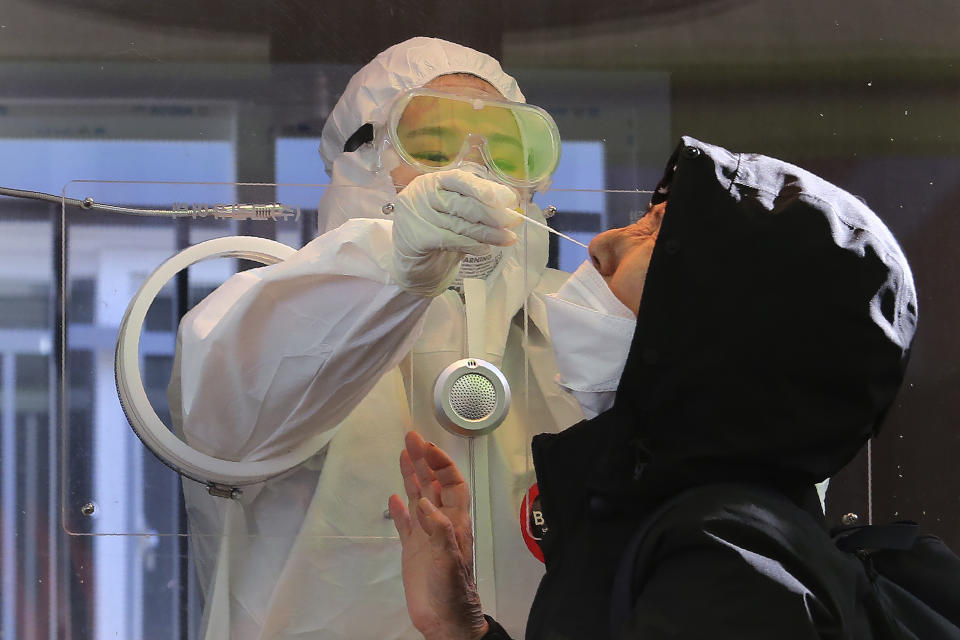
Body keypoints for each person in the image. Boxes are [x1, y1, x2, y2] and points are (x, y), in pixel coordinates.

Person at [388, 136, 919, 639]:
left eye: (653, 231)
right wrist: (464, 628)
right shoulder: (698, 525)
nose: (601, 245)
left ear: (727, 311)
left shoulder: (727, 565)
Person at [167, 37, 584, 639]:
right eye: (432, 142)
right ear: (361, 158)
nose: (471, 167)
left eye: (506, 149)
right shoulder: (283, 312)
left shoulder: (570, 331)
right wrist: (395, 268)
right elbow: (235, 400)